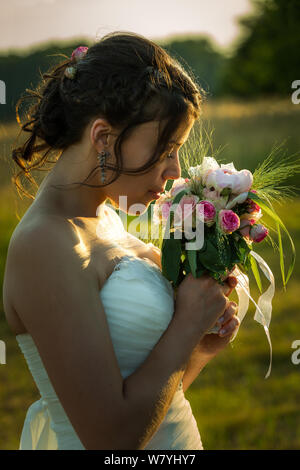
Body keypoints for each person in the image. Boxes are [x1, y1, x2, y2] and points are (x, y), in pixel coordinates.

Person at [3, 31, 239, 450]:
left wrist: (200, 346)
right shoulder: (46, 244)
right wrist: (185, 323)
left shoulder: (106, 218)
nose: (174, 170)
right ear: (103, 138)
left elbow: (156, 402)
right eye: (166, 148)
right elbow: (111, 437)